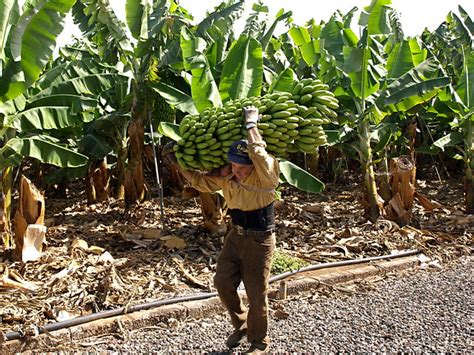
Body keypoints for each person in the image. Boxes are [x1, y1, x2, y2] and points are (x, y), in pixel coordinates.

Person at [165, 106, 279, 353]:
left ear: (253, 166)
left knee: (257, 293)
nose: (236, 171)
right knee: (223, 282)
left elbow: (259, 152)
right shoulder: (228, 178)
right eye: (233, 166)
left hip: (259, 241)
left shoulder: (266, 177)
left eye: (242, 167)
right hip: (235, 236)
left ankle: (260, 342)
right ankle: (241, 324)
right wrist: (177, 161)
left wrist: (251, 124)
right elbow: (198, 181)